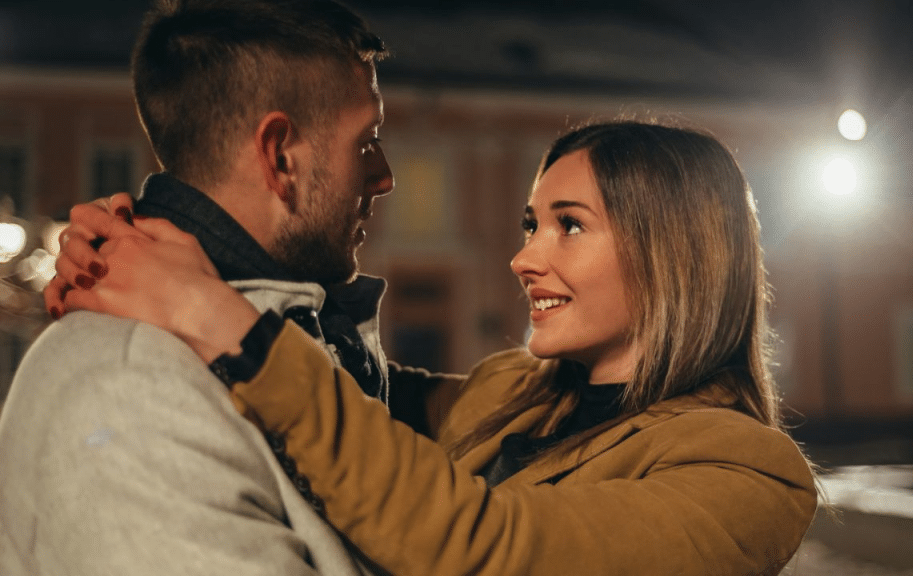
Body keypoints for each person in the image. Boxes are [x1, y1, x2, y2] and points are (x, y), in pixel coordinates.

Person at [48, 120, 819, 576]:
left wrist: (212, 313)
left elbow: (485, 546)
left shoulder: (746, 477)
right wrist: (139, 252)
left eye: (569, 224)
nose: (525, 258)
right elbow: (344, 386)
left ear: (672, 252)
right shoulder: (510, 392)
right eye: (529, 224)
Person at [0, 1, 395, 574]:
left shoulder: (283, 341)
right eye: (366, 141)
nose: (385, 176)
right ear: (279, 156)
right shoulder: (132, 392)